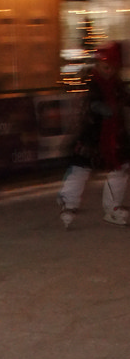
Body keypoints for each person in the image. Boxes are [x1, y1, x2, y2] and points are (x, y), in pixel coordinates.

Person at [58, 41, 130, 228]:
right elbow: (88, 101)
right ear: (97, 65)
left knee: (120, 168)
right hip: (91, 134)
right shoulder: (91, 82)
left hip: (113, 135)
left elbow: (125, 99)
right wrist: (97, 107)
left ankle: (112, 207)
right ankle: (68, 203)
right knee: (80, 168)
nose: (108, 71)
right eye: (105, 67)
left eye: (112, 67)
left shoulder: (117, 85)